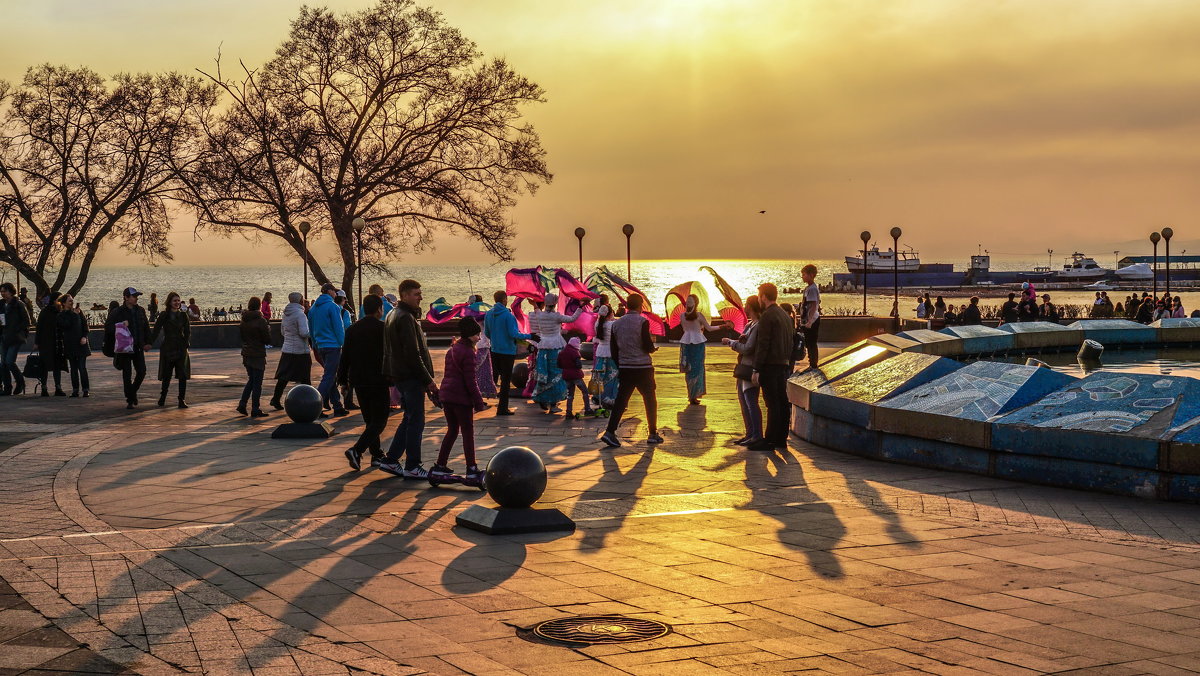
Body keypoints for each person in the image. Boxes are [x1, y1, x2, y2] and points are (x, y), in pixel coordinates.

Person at [380, 279, 436, 479]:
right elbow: (413, 353)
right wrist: (428, 379)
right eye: (415, 294)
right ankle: (413, 465)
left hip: (401, 375)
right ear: (403, 295)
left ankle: (391, 459)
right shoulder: (405, 318)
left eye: (420, 293)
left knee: (409, 418)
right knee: (416, 421)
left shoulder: (393, 314)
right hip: (410, 376)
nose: (420, 297)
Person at [431, 317, 488, 482]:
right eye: (477, 335)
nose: (479, 338)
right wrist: (478, 402)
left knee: (452, 430)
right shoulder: (469, 353)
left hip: (447, 396)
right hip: (461, 399)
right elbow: (470, 380)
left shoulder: (452, 349)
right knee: (467, 433)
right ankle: (471, 468)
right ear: (470, 335)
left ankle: (440, 466)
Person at [600, 294, 660, 448]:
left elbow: (614, 350)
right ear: (640, 306)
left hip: (625, 367)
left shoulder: (616, 324)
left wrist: (621, 364)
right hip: (643, 367)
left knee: (621, 401)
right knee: (650, 399)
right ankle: (652, 433)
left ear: (627, 306)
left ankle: (610, 431)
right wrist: (652, 349)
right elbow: (646, 345)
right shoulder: (642, 321)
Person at [338, 294, 390, 470]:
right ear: (379, 310)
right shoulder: (384, 329)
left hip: (358, 381)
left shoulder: (352, 329)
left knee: (370, 420)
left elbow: (345, 357)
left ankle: (376, 455)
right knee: (380, 420)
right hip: (378, 379)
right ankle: (357, 450)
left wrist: (343, 381)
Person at [749, 282, 793, 452]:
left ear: (764, 297)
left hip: (770, 365)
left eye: (759, 296)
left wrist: (756, 369)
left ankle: (769, 440)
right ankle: (781, 438)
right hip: (783, 364)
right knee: (782, 401)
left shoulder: (768, 316)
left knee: (772, 403)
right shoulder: (784, 315)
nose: (758, 299)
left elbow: (763, 344)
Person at [529, 293, 583, 414]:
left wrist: (534, 305)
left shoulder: (540, 315)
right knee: (556, 375)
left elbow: (537, 310)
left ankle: (543, 398)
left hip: (543, 347)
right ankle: (553, 404)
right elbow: (572, 318)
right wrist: (580, 307)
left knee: (544, 374)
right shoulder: (556, 316)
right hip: (555, 347)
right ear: (555, 304)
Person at [483, 290, 533, 416]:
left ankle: (490, 401)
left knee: (497, 378)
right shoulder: (508, 316)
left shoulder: (488, 314)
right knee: (505, 381)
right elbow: (514, 334)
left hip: (494, 350)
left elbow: (487, 333)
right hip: (507, 352)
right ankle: (502, 408)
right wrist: (530, 335)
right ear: (505, 300)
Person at [724, 295, 763, 447]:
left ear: (752, 307)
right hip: (743, 367)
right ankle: (749, 433)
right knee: (743, 401)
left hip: (750, 367)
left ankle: (756, 434)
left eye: (747, 304)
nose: (745, 308)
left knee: (751, 401)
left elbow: (748, 348)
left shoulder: (758, 325)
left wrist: (730, 343)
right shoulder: (750, 325)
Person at [104, 287, 151, 409]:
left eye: (137, 296)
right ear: (126, 297)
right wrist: (120, 325)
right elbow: (108, 327)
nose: (136, 298)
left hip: (137, 346)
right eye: (134, 296)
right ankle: (130, 399)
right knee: (127, 374)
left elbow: (146, 327)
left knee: (141, 371)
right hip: (124, 348)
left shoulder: (140, 310)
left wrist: (148, 342)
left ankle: (132, 392)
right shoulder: (117, 312)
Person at [309, 282, 349, 416]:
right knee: (329, 376)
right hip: (333, 345)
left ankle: (337, 406)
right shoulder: (333, 307)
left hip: (320, 345)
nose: (336, 294)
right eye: (334, 291)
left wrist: (315, 344)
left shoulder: (314, 308)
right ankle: (315, 405)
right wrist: (343, 344)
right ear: (329, 292)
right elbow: (338, 327)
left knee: (330, 376)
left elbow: (311, 327)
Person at [270, 292, 312, 408]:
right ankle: (309, 402)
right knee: (305, 378)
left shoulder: (286, 314)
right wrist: (312, 333)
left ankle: (276, 398)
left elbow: (283, 332)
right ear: (300, 301)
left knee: (284, 377)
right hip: (300, 350)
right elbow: (304, 333)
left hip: (287, 349)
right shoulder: (300, 314)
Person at [150, 292, 191, 408]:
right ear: (169, 302)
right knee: (167, 374)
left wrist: (186, 342)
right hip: (168, 347)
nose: (177, 303)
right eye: (174, 300)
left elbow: (188, 331)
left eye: (178, 300)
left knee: (182, 374)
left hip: (180, 347)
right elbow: (156, 330)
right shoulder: (164, 315)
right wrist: (149, 343)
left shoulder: (183, 315)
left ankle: (181, 399)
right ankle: (163, 397)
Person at [237, 296, 271, 417]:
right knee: (257, 383)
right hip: (257, 354)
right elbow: (267, 339)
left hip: (246, 353)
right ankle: (255, 408)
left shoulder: (243, 320)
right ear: (259, 306)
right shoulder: (260, 320)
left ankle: (242, 403)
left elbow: (242, 337)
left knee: (251, 380)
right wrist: (268, 330)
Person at [678, 294, 712, 405]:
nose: (688, 302)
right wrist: (722, 326)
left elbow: (685, 329)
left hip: (688, 343)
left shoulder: (683, 316)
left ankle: (692, 395)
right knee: (695, 368)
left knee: (691, 368)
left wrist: (698, 328)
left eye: (690, 300)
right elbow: (709, 328)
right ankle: (693, 395)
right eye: (688, 300)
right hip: (696, 343)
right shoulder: (697, 315)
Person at [56, 294, 90, 397]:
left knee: (82, 367)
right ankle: (75, 390)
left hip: (81, 344)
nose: (72, 302)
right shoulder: (61, 315)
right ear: (64, 303)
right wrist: (74, 315)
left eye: (72, 300)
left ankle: (85, 389)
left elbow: (85, 326)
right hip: (70, 345)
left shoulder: (78, 312)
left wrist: (84, 337)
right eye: (69, 301)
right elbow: (66, 325)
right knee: (74, 369)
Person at [1, 282, 30, 396]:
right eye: (1, 291)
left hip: (15, 337)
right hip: (3, 336)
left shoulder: (18, 304)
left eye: (5, 291)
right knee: (3, 364)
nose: (3, 294)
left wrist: (16, 330)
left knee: (9, 362)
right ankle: (7, 387)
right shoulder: (1, 304)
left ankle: (20, 382)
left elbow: (26, 321)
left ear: (11, 291)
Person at [34, 291, 65, 396]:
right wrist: (37, 342)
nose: (60, 302)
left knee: (57, 366)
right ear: (54, 300)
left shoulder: (61, 312)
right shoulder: (45, 312)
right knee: (44, 366)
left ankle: (58, 387)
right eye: (58, 300)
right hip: (46, 343)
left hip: (57, 343)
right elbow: (39, 328)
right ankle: (44, 387)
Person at [590, 301, 618, 413]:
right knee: (612, 376)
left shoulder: (597, 324)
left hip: (601, 351)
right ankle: (610, 398)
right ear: (609, 314)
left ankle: (598, 396)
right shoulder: (611, 325)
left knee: (600, 376)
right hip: (610, 352)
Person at [559, 336, 594, 418]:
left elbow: (559, 364)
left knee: (570, 395)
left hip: (566, 376)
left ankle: (568, 412)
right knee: (585, 392)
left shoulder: (562, 352)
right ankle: (587, 410)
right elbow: (579, 365)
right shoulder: (575, 352)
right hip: (576, 376)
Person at [334, 289, 358, 411]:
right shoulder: (344, 312)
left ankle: (331, 400)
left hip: (330, 345)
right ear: (343, 300)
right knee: (348, 375)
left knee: (332, 375)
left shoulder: (329, 310)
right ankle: (348, 402)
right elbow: (348, 329)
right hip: (344, 345)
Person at [799, 264, 821, 371]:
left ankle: (813, 364)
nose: (802, 276)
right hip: (808, 319)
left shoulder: (812, 289)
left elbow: (813, 306)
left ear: (811, 275)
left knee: (811, 342)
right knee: (809, 342)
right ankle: (812, 362)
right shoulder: (809, 288)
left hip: (812, 320)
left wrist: (809, 322)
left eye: (804, 274)